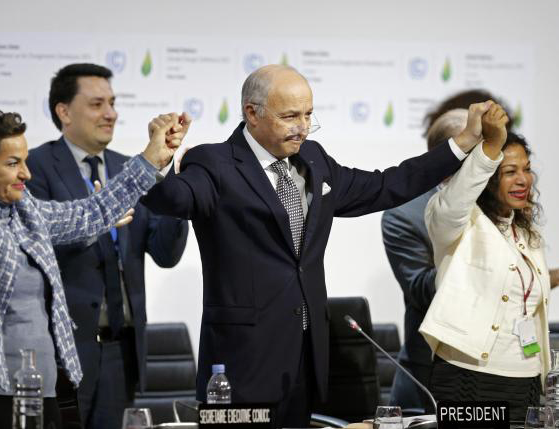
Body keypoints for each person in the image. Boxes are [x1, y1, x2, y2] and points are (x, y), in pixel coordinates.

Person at [142, 64, 492, 427]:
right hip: (241, 365)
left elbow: (389, 184)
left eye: (308, 114)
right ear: (252, 112)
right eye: (290, 116)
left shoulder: (315, 160)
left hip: (305, 361)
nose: (303, 127)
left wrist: (464, 142)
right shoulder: (214, 163)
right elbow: (172, 201)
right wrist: (155, 160)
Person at [0, 90, 181, 428]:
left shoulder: (27, 212)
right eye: (13, 163)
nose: (26, 173)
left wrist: (151, 159)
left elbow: (93, 211)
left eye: (25, 161)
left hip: (44, 388)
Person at [26, 63, 189, 429]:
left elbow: (165, 253)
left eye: (113, 103)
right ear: (64, 111)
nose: (111, 113)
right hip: (63, 350)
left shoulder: (130, 168)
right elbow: (40, 245)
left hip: (122, 350)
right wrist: (98, 217)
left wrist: (176, 185)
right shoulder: (34, 167)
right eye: (97, 104)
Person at [419, 108, 559, 420]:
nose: (523, 179)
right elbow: (456, 199)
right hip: (469, 376)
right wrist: (490, 146)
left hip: (526, 378)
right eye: (510, 172)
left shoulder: (526, 233)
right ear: (486, 175)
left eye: (527, 169)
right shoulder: (455, 220)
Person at [381, 108, 468, 412]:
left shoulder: (504, 207)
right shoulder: (404, 214)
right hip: (431, 374)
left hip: (502, 366)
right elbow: (422, 290)